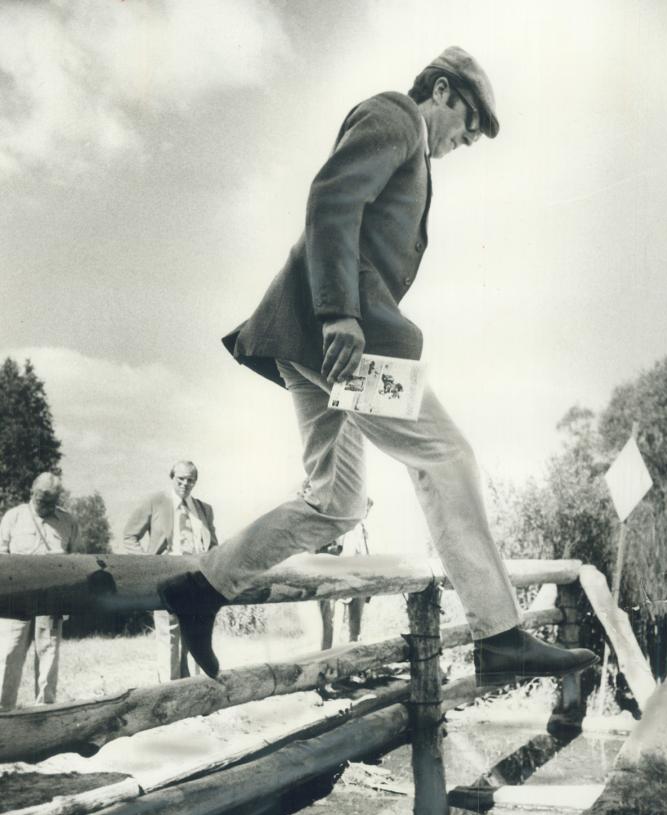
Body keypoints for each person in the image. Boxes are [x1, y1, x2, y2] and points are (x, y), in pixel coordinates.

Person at [160, 46, 597, 686]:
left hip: (311, 340)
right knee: (446, 456)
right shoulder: (396, 116)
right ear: (441, 91)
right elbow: (332, 200)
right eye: (468, 124)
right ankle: (500, 633)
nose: (467, 140)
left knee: (335, 503)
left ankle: (202, 588)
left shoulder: (415, 151)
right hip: (336, 339)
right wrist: (340, 312)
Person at [123, 461, 218, 680]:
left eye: (191, 479)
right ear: (172, 477)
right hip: (167, 579)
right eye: (181, 479)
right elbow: (129, 536)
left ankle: (198, 692)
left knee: (198, 637)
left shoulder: (204, 509)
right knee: (169, 637)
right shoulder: (155, 502)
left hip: (198, 580)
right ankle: (168, 694)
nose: (185, 483)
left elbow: (213, 546)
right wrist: (149, 566)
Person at [0, 472, 79, 710]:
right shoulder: (13, 517)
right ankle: (3, 713)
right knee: (9, 654)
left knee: (48, 654)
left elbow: (76, 562)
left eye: (50, 500)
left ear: (58, 499)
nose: (44, 505)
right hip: (15, 600)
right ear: (32, 492)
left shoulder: (68, 522)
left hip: (51, 600)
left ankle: (44, 713)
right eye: (41, 498)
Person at [317, 512, 371, 650]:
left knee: (356, 630)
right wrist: (336, 550)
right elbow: (318, 551)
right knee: (330, 626)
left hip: (359, 581)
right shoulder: (335, 522)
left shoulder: (363, 528)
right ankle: (325, 663)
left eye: (366, 510)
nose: (364, 512)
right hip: (334, 582)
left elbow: (366, 552)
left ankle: (356, 665)